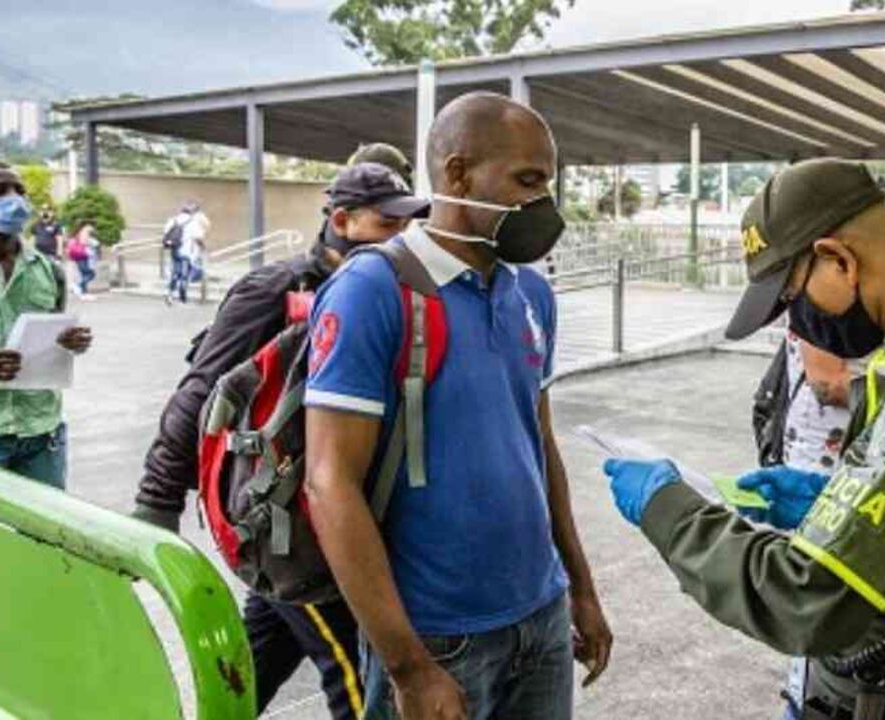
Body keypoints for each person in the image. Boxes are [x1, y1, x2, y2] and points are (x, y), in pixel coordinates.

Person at [603, 158, 885, 720]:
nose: (797, 330)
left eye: (793, 300)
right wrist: (835, 501)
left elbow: (807, 601)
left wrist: (669, 511)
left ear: (839, 260)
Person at [303, 92, 612, 720]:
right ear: (457, 174)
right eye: (526, 181)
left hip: (541, 619)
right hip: (439, 639)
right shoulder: (373, 292)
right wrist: (409, 667)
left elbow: (538, 445)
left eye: (547, 184)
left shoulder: (531, 292)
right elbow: (329, 481)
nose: (542, 204)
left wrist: (579, 587)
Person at [131, 160, 426, 720]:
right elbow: (199, 393)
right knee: (362, 681)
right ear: (342, 220)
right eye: (388, 224)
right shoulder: (273, 290)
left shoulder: (386, 293)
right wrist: (157, 501)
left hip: (332, 521)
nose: (402, 239)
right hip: (297, 529)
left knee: (257, 661)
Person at [751, 180, 885, 720]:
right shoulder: (830, 312)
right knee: (816, 632)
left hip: (853, 470)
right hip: (822, 454)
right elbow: (828, 380)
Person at [0, 162, 93, 489]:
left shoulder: (49, 270)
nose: (14, 199)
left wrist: (71, 343)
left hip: (43, 434)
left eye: (19, 190)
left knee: (45, 537)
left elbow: (53, 341)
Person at [164, 202, 210, 305]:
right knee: (185, 273)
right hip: (187, 252)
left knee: (175, 272)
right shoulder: (193, 222)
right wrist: (203, 248)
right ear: (191, 212)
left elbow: (166, 232)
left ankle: (170, 294)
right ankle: (182, 296)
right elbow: (198, 238)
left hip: (174, 250)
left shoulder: (172, 220)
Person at [65, 221, 100, 300]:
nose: (93, 228)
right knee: (91, 274)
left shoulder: (79, 232)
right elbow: (83, 242)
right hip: (83, 255)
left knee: (84, 274)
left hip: (79, 256)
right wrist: (92, 242)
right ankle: (77, 285)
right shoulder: (85, 231)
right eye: (92, 226)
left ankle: (83, 293)